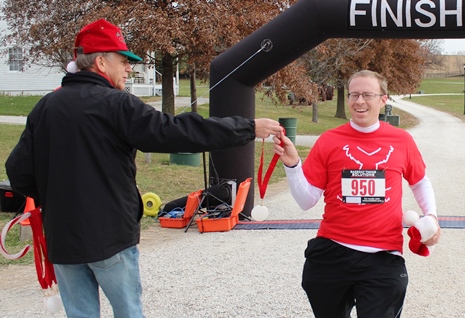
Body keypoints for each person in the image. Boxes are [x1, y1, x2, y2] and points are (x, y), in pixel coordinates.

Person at [5, 19, 282, 318]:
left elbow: (18, 171)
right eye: (123, 61)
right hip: (110, 238)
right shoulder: (117, 104)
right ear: (100, 62)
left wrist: (55, 198)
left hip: (63, 239)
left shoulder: (45, 107)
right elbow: (177, 131)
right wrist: (247, 127)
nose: (129, 68)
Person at [273, 70, 440, 318]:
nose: (359, 101)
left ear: (383, 99)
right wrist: (293, 165)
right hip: (332, 251)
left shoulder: (402, 140)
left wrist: (432, 217)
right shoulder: (329, 140)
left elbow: (419, 181)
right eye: (354, 95)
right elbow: (306, 201)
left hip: (383, 257)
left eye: (367, 95)